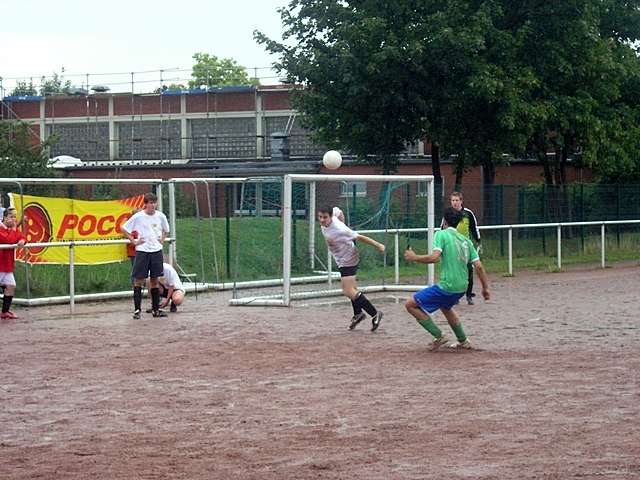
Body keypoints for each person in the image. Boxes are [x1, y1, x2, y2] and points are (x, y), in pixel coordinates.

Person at [404, 207, 490, 351]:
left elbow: (434, 257)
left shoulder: (441, 234)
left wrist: (414, 257)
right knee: (445, 306)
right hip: (462, 287)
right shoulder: (466, 241)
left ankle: (439, 336)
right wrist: (485, 288)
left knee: (410, 304)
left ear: (444, 221)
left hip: (447, 286)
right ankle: (463, 340)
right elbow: (479, 267)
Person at [318, 206, 385, 331]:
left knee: (348, 291)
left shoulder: (340, 229)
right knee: (352, 290)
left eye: (325, 217)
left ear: (330, 216)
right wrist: (342, 220)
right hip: (341, 257)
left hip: (348, 257)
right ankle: (358, 313)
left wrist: (378, 245)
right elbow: (339, 211)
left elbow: (360, 237)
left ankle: (375, 314)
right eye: (320, 217)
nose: (322, 220)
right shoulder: (333, 215)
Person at [122, 193, 170, 319]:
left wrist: (162, 241)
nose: (152, 205)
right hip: (142, 251)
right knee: (139, 280)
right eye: (150, 203)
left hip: (156, 251)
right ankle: (137, 310)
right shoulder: (138, 216)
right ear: (145, 204)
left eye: (154, 203)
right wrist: (134, 241)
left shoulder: (161, 216)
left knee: (155, 280)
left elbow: (166, 229)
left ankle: (156, 309)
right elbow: (124, 228)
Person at [442, 191, 481, 304]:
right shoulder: (448, 214)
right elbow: (442, 228)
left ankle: (469, 295)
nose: (454, 202)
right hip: (452, 248)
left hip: (466, 247)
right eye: (452, 200)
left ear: (461, 201)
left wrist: (478, 240)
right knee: (454, 271)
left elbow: (474, 228)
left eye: (456, 200)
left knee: (469, 270)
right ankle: (455, 296)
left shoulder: (468, 213)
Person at [0, 208, 26, 319]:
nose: (14, 219)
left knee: (11, 286)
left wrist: (22, 241)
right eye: (11, 217)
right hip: (0, 265)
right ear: (5, 217)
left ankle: (5, 312)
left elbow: (21, 237)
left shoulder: (12, 229)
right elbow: (8, 240)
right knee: (9, 285)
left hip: (7, 265)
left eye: (15, 217)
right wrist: (16, 231)